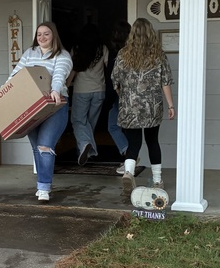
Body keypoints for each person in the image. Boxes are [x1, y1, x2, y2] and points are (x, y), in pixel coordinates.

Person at [10, 20, 72, 202]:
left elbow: (60, 74)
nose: (42, 37)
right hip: (31, 105)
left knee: (45, 146)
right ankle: (42, 184)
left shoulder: (63, 55)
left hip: (55, 103)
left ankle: (44, 187)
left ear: (54, 35)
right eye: (39, 34)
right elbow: (16, 74)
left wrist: (55, 90)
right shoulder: (30, 53)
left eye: (46, 33)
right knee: (36, 147)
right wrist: (4, 92)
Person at [110, 17, 175, 191]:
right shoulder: (158, 55)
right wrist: (171, 106)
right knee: (153, 141)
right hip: (152, 107)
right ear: (150, 33)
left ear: (132, 34)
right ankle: (157, 180)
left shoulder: (123, 54)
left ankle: (129, 173)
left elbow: (115, 81)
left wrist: (125, 97)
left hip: (130, 106)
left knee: (134, 142)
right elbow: (165, 82)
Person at [69, 23, 108, 166]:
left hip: (81, 90)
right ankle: (86, 150)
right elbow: (108, 67)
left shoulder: (77, 49)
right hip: (99, 90)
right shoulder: (102, 48)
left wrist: (65, 87)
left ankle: (85, 144)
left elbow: (73, 70)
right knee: (89, 124)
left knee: (78, 121)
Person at [104, 19, 132, 174]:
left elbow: (112, 78)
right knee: (128, 128)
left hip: (119, 94)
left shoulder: (115, 53)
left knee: (113, 126)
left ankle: (129, 156)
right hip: (134, 94)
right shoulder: (132, 52)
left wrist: (108, 99)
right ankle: (129, 157)